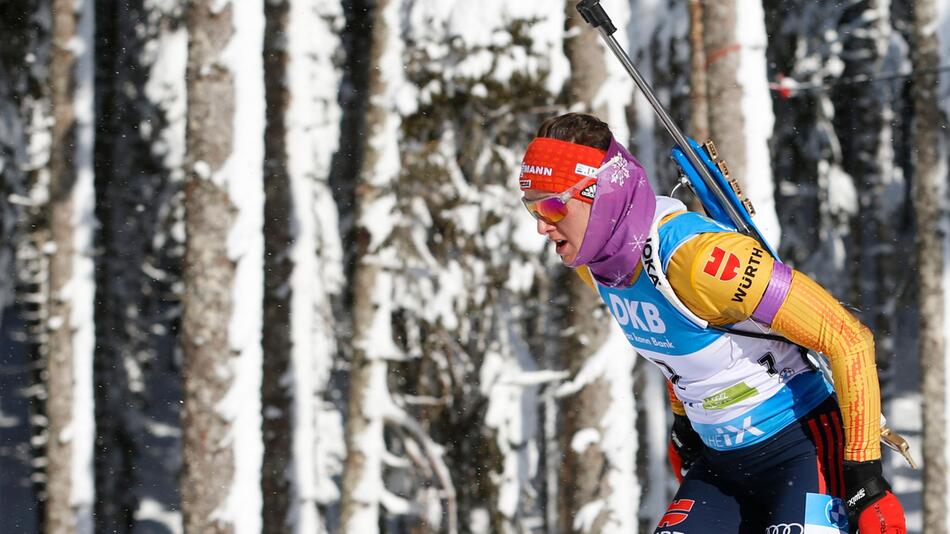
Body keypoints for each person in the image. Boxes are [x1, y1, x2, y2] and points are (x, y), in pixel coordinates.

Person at [518, 112, 906, 533]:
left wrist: (866, 478)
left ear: (603, 193)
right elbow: (675, 343)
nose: (542, 225)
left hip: (802, 448)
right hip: (721, 464)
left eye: (553, 205)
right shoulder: (597, 265)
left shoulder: (699, 259)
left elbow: (846, 338)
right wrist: (683, 420)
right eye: (531, 206)